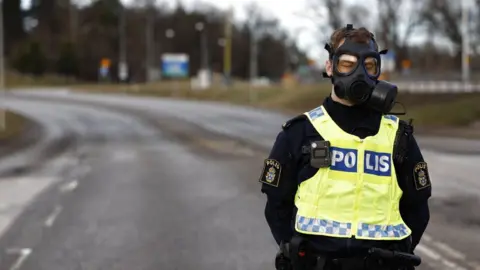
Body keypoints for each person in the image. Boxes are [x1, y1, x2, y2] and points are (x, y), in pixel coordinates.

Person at [258, 24, 431, 270]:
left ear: (378, 71)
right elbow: (276, 205)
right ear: (330, 67)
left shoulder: (398, 137)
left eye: (369, 66)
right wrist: (298, 254)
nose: (359, 73)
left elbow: (418, 209)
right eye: (348, 65)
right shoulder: (299, 132)